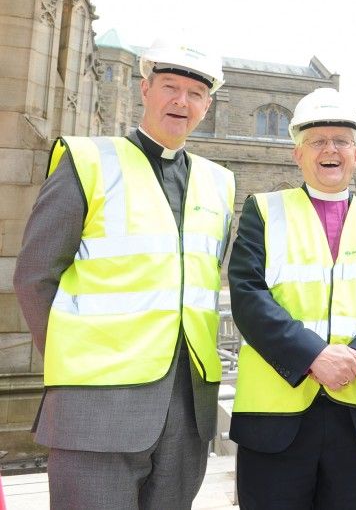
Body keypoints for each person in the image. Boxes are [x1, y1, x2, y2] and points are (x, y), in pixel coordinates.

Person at [13, 38, 235, 508]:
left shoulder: (219, 182)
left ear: (207, 106)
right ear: (145, 90)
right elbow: (35, 275)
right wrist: (73, 361)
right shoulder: (87, 160)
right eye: (170, 87)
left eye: (195, 93)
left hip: (185, 405)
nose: (182, 101)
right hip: (94, 404)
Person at [228, 87, 356, 509]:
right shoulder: (264, 209)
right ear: (298, 154)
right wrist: (314, 356)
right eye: (317, 141)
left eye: (341, 141)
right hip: (275, 415)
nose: (329, 150)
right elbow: (247, 294)